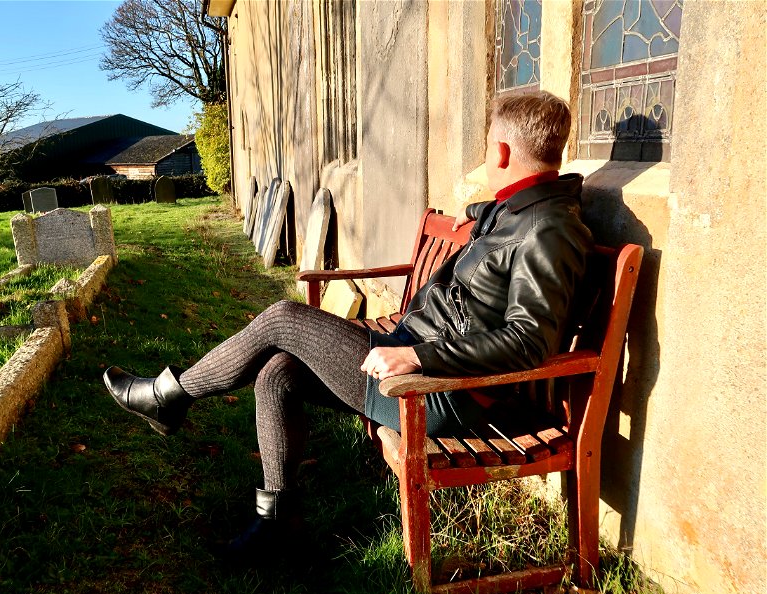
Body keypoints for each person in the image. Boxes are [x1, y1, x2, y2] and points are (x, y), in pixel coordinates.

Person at [103, 90, 593, 562]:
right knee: (278, 371)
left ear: (503, 151)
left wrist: (420, 357)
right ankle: (278, 522)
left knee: (282, 318)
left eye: (487, 145)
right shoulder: (522, 211)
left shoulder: (550, 228)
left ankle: (170, 397)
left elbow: (530, 341)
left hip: (440, 392)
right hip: (420, 353)